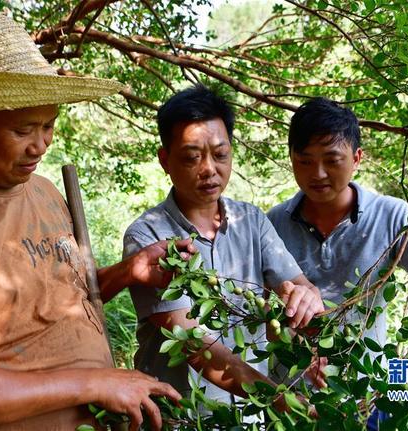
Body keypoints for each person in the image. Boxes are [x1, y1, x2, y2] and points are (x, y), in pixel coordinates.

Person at [0, 14, 195, 431]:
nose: (40, 145)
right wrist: (93, 383)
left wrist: (126, 273)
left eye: (49, 125)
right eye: (22, 129)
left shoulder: (43, 191)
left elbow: (54, 299)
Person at [122, 85, 324, 405]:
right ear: (165, 160)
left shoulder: (252, 221)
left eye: (220, 155)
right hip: (183, 418)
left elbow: (296, 285)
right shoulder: (147, 237)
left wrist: (305, 299)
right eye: (191, 157)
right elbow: (194, 345)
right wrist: (277, 400)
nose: (209, 169)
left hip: (249, 415)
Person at [267, 97, 408, 392]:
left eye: (332, 160)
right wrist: (295, 342)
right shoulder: (273, 224)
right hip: (288, 399)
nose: (318, 173)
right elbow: (257, 311)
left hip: (365, 395)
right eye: (305, 161)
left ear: (357, 159)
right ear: (292, 159)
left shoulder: (389, 215)